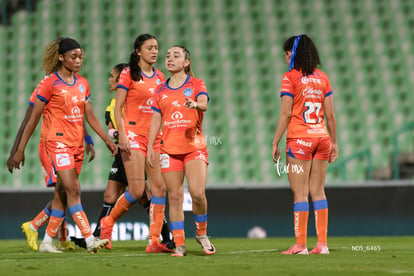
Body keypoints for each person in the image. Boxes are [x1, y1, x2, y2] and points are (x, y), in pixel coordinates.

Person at [12, 37, 117, 253]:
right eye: (73, 57)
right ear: (61, 58)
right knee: (73, 189)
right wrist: (20, 149)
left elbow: (90, 116)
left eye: (80, 57)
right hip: (56, 143)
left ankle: (47, 242)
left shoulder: (82, 83)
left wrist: (105, 140)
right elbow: (32, 119)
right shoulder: (49, 83)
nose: (78, 60)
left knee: (61, 193)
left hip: (76, 144)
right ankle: (90, 239)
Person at [71, 63, 174, 250]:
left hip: (141, 147)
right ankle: (99, 234)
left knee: (146, 194)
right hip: (126, 150)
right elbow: (112, 130)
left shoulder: (141, 99)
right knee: (119, 194)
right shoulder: (113, 106)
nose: (110, 80)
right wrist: (119, 136)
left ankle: (161, 237)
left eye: (113, 76)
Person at [100, 34, 172, 253]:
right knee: (138, 189)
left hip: (153, 138)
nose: (155, 51)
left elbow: (160, 109)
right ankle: (108, 223)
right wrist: (121, 134)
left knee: (159, 189)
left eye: (157, 48)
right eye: (149, 48)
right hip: (132, 135)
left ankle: (153, 242)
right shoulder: (127, 74)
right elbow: (118, 106)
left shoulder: (160, 76)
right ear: (138, 51)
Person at [272, 34, 338, 255]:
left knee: (300, 193)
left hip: (300, 139)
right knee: (318, 191)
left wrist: (275, 141)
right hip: (322, 138)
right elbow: (330, 115)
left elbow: (286, 113)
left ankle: (300, 245)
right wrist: (335, 142)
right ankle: (322, 244)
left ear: (292, 53)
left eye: (286, 54)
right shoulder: (323, 78)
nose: (285, 58)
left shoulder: (290, 77)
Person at [7, 86, 95, 252]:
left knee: (62, 192)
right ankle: (34, 226)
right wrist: (16, 150)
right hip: (51, 146)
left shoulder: (71, 85)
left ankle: (59, 238)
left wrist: (88, 139)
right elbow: (28, 120)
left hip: (69, 144)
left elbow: (78, 115)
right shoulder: (45, 87)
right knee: (62, 193)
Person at [147, 45, 216, 257]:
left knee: (197, 193)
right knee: (175, 197)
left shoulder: (196, 83)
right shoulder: (160, 90)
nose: (169, 58)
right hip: (169, 150)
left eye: (176, 55)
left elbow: (204, 104)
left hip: (194, 147)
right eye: (167, 55)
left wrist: (195, 104)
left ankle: (202, 234)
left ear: (186, 62)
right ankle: (179, 243)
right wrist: (151, 146)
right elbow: (156, 119)